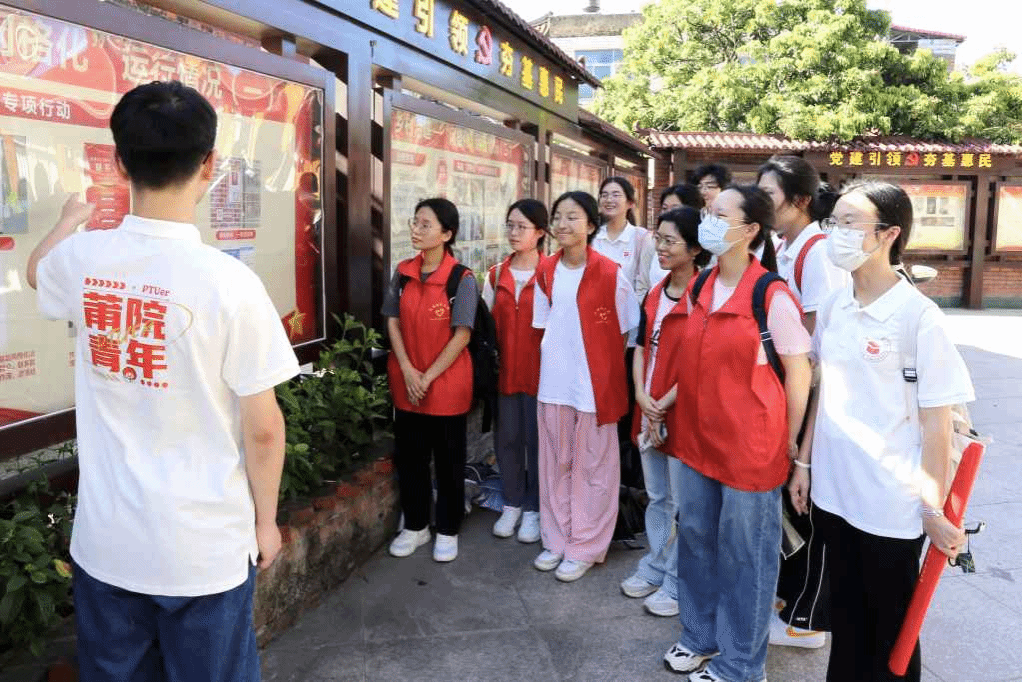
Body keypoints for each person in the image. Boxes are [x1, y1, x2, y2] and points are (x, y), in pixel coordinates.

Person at [26, 81, 299, 682]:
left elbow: (36, 271)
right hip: (204, 551)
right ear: (210, 165)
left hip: (107, 545)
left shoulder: (83, 259)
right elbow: (263, 429)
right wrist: (264, 522)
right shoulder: (230, 284)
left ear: (120, 161)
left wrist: (69, 221)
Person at [789, 181, 974, 682]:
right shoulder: (835, 304)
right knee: (845, 623)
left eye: (851, 223)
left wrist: (933, 510)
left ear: (888, 234)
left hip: (891, 508)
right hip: (834, 493)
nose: (836, 234)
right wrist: (804, 462)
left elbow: (938, 424)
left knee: (890, 637)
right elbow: (825, 390)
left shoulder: (918, 318)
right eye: (835, 222)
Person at [663, 185, 813, 682]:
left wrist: (790, 441)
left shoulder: (769, 294)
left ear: (750, 230)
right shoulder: (702, 283)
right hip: (700, 439)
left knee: (746, 557)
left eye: (719, 214)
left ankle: (741, 664)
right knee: (698, 541)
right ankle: (700, 636)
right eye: (708, 212)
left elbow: (799, 372)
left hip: (751, 447)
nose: (707, 220)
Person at [756, 155, 849, 650]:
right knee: (789, 509)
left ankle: (807, 620)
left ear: (799, 201)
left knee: (804, 502)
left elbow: (813, 336)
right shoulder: (786, 244)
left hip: (809, 391)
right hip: (789, 387)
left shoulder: (815, 250)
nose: (761, 201)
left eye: (769, 194)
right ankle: (789, 599)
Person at [531, 191, 640, 583]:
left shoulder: (611, 273)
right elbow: (542, 324)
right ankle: (557, 538)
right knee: (555, 465)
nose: (562, 224)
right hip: (554, 383)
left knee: (593, 469)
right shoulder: (545, 270)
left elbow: (627, 331)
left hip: (593, 388)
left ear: (591, 225)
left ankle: (586, 545)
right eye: (557, 216)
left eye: (572, 217)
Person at [620, 207, 709, 618]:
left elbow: (701, 362)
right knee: (657, 498)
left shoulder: (705, 296)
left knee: (684, 506)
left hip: (681, 413)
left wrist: (663, 406)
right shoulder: (655, 292)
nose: (660, 247)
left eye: (670, 241)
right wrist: (641, 395)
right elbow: (640, 347)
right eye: (659, 238)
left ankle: (677, 580)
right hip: (649, 406)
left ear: (694, 248)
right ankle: (656, 563)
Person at [383, 197, 478, 563]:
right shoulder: (403, 272)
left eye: (426, 224)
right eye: (415, 222)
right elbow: (392, 320)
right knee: (411, 458)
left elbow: (463, 334)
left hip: (447, 383)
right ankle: (416, 526)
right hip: (407, 382)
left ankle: (448, 528)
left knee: (449, 459)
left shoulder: (461, 278)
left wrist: (428, 375)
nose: (416, 230)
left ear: (446, 233)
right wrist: (408, 370)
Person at [482, 199, 548, 544]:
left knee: (538, 443)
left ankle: (535, 507)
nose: (514, 232)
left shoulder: (552, 273)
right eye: (510, 225)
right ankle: (512, 502)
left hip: (542, 376)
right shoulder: (496, 275)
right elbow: (486, 329)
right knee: (507, 439)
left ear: (539, 232)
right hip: (505, 373)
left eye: (522, 226)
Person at [649, 184, 704, 284]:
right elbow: (643, 283)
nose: (669, 214)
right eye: (664, 208)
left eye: (676, 209)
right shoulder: (653, 244)